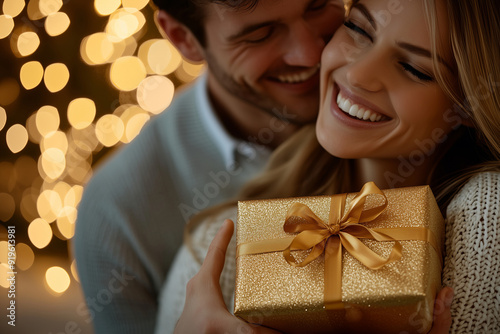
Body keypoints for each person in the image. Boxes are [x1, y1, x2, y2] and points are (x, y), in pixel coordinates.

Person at [161, 0, 500, 332]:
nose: (357, 72)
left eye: (414, 68)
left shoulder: (486, 212)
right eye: (357, 29)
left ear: (469, 104)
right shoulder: (219, 248)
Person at [73, 0, 345, 333]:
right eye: (260, 35)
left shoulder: (413, 107)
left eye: (318, 6)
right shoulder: (116, 213)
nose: (310, 54)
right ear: (183, 38)